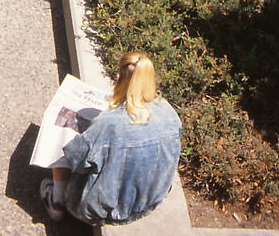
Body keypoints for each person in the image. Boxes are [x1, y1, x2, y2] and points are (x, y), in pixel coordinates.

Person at [39, 53, 181, 225]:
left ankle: (58, 201)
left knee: (62, 136)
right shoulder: (169, 113)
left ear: (118, 77)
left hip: (104, 211)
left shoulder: (109, 124)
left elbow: (77, 159)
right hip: (148, 202)